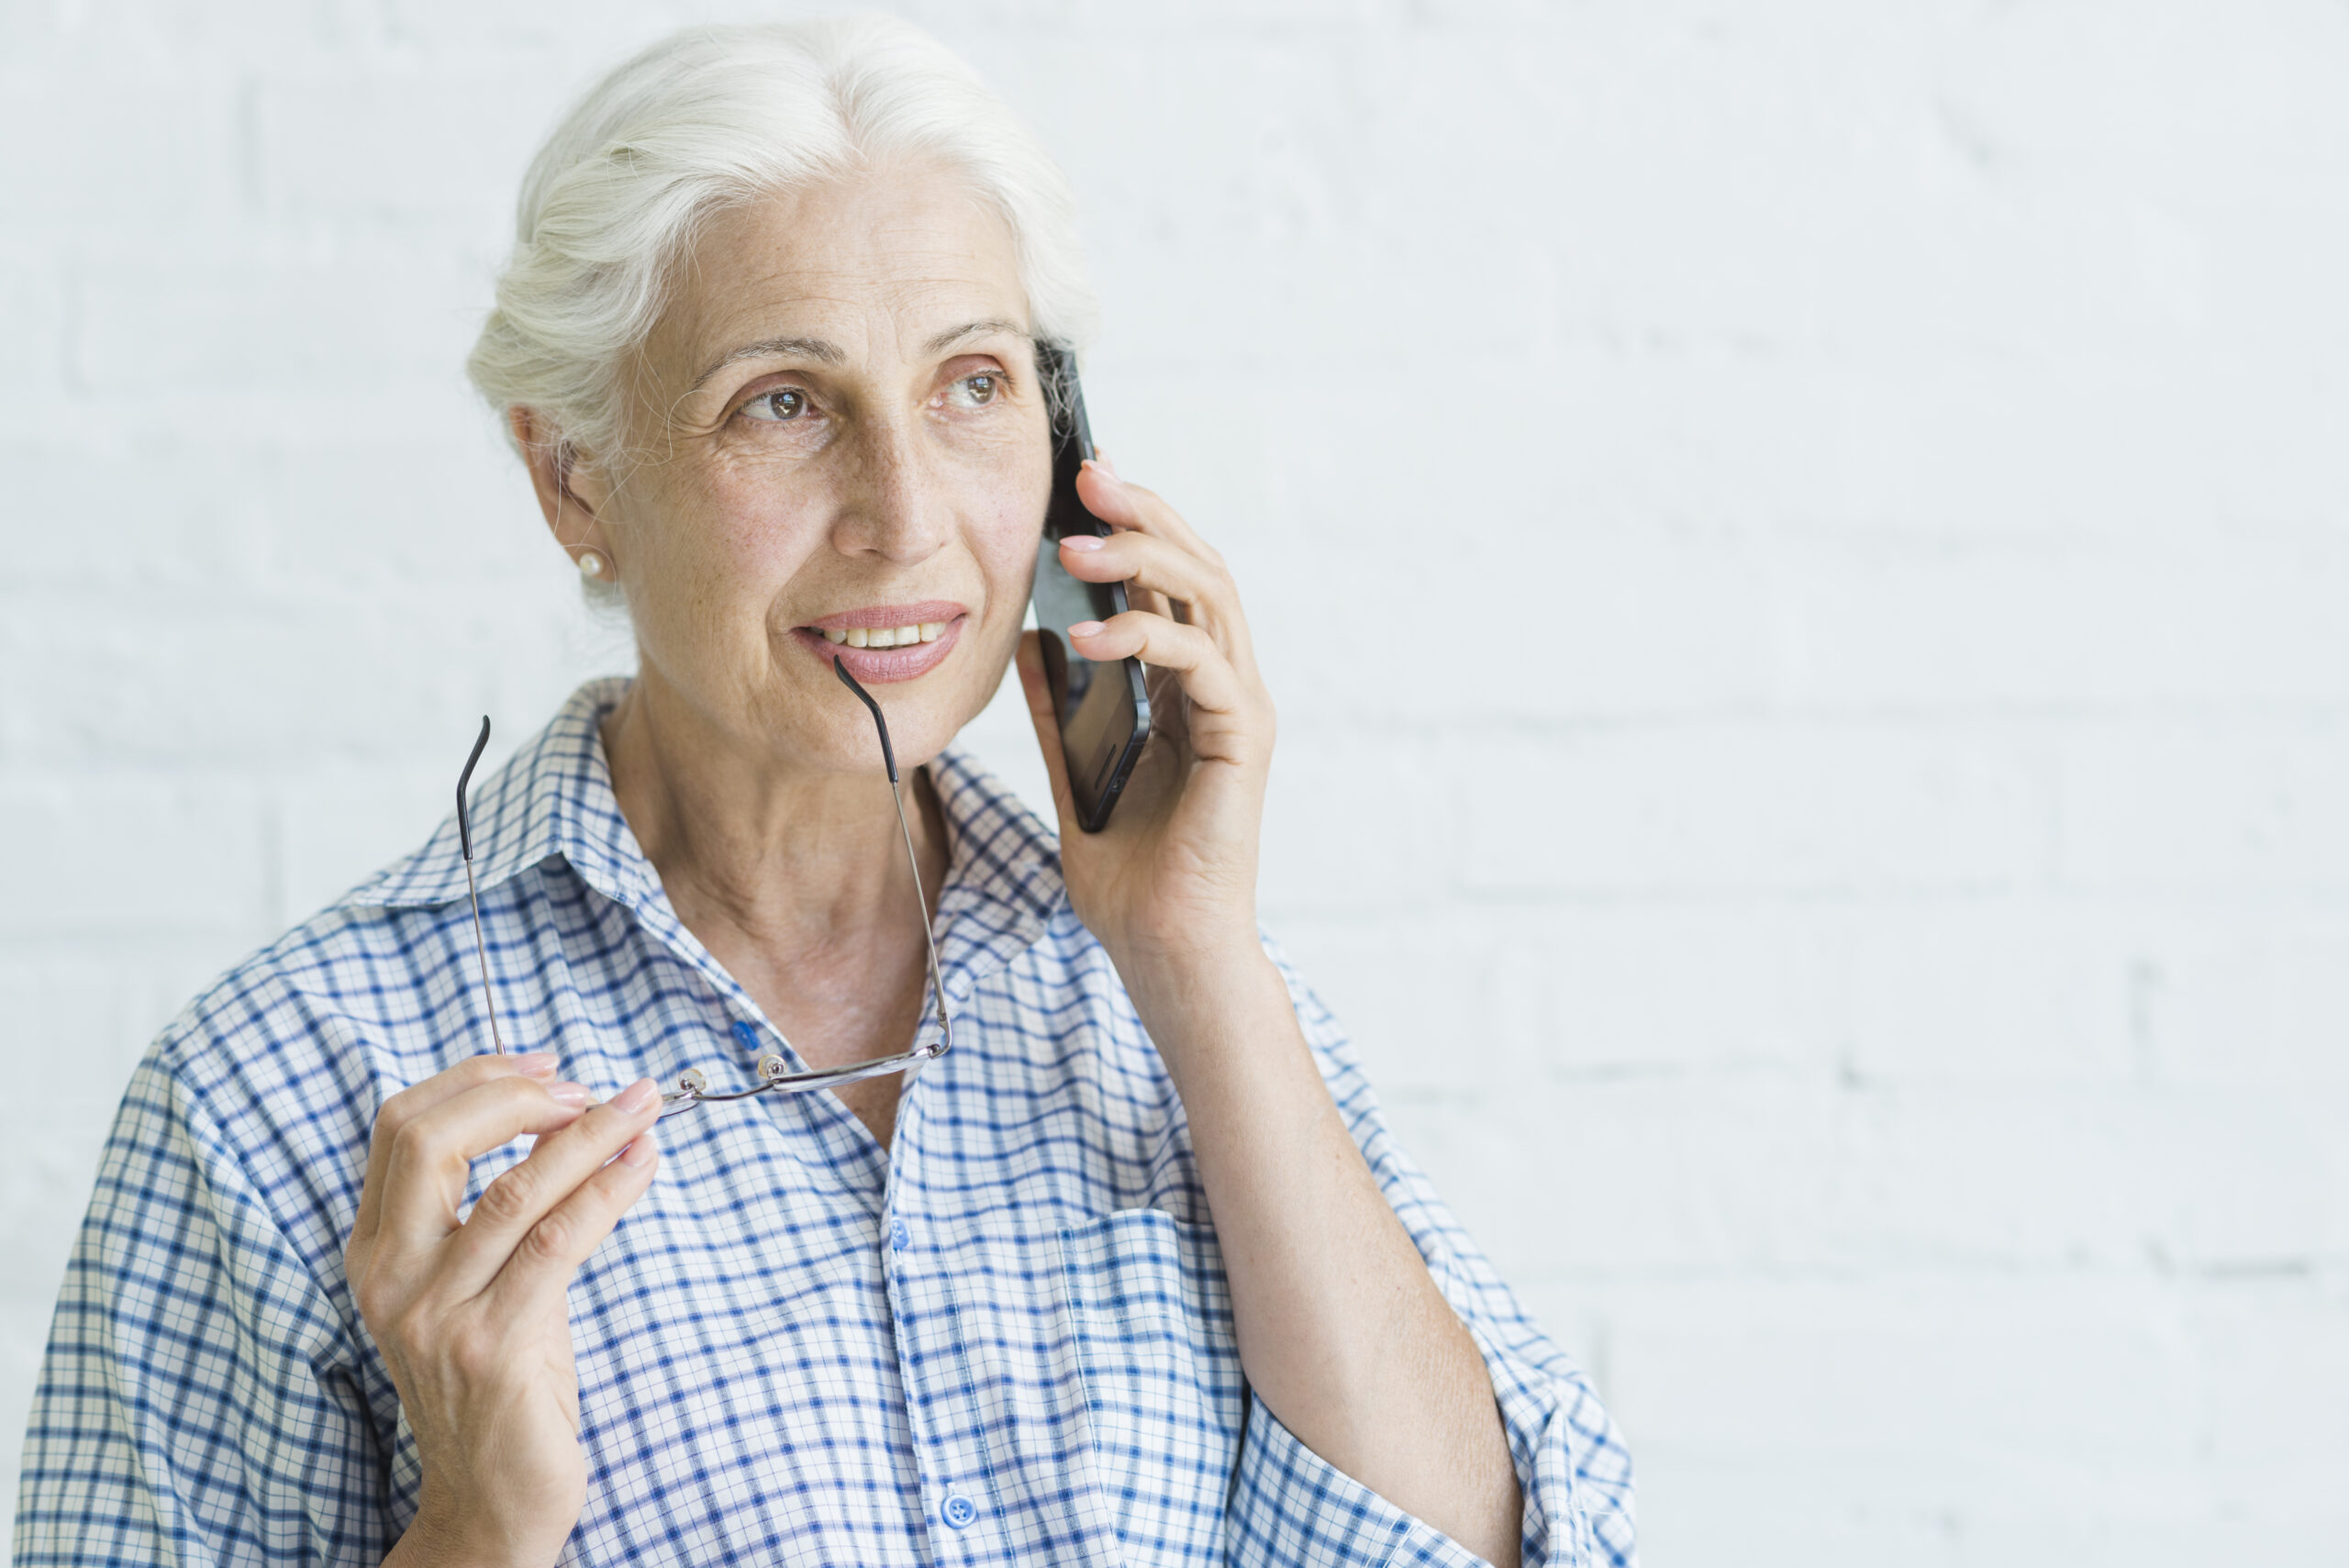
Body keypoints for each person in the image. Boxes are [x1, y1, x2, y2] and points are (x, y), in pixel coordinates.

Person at [14, 18, 1632, 1567]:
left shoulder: (1171, 992)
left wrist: (1202, 959)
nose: (908, 515)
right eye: (783, 403)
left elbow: (1476, 1544)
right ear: (572, 475)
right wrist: (473, 1535)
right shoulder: (279, 1093)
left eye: (973, 383)